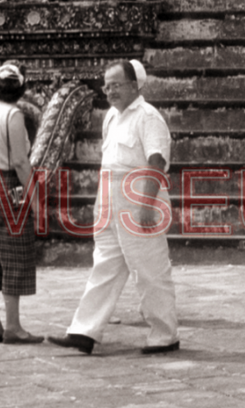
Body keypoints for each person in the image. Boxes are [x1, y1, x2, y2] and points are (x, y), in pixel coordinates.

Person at [48, 59, 180, 355]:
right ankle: (84, 331)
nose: (110, 91)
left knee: (149, 269)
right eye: (106, 86)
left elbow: (156, 162)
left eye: (116, 85)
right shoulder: (111, 117)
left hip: (139, 196)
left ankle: (165, 334)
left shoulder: (148, 117)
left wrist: (146, 204)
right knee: (104, 264)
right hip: (109, 196)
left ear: (134, 86)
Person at [0, 61, 42, 344]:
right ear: (21, 88)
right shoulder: (13, 115)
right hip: (9, 186)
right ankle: (14, 326)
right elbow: (19, 162)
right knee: (14, 254)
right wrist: (36, 201)